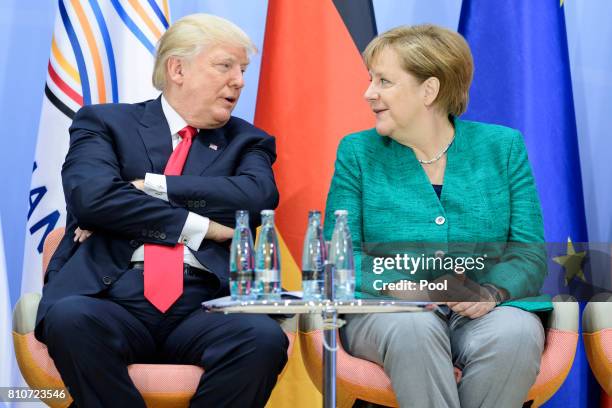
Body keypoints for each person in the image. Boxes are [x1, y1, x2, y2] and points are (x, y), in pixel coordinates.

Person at [35, 14, 287, 408]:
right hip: (110, 295)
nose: (238, 80)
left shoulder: (247, 140)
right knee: (71, 320)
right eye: (225, 66)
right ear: (178, 68)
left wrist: (155, 186)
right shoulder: (105, 122)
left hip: (206, 304)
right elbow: (94, 199)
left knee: (262, 339)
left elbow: (256, 198)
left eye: (242, 70)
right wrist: (203, 227)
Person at [324, 24, 552, 407]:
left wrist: (491, 291)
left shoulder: (503, 147)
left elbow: (528, 252)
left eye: (384, 81)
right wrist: (408, 287)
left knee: (516, 333)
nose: (369, 93)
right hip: (390, 313)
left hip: (483, 310)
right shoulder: (358, 152)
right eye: (370, 80)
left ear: (429, 90)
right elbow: (338, 254)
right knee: (414, 328)